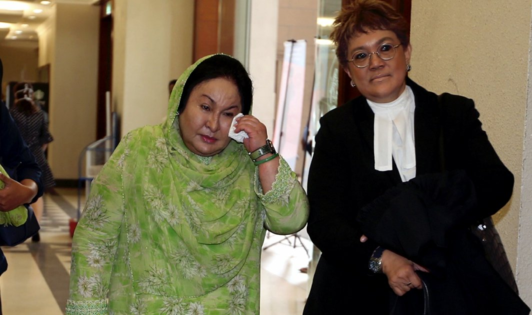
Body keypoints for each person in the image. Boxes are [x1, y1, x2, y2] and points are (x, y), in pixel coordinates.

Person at [304, 1, 529, 314]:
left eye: (385, 47)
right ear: (348, 72)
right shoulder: (335, 129)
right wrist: (382, 258)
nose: (375, 62)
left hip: (443, 288)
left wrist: (429, 220)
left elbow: (496, 183)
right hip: (356, 294)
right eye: (360, 55)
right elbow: (323, 221)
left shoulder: (453, 114)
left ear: (406, 52)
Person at [66, 54, 309, 314]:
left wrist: (263, 152)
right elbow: (96, 236)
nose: (213, 124)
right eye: (205, 107)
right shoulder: (140, 149)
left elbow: (290, 221)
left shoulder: (249, 164)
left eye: (228, 114)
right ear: (180, 102)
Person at [0, 58, 44, 312]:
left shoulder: (4, 114)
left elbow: (30, 166)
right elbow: (45, 138)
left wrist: (26, 191)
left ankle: (35, 229)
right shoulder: (38, 114)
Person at [10, 82, 56, 242]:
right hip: (36, 156)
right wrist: (38, 152)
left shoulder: (12, 114)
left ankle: (16, 229)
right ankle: (35, 228)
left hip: (16, 157)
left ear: (15, 96)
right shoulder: (40, 114)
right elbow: (46, 139)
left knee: (14, 192)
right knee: (37, 193)